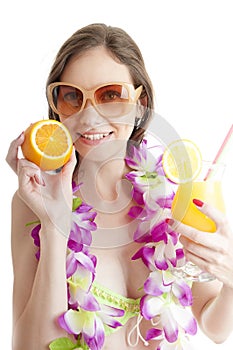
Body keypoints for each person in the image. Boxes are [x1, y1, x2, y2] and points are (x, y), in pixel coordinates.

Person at [6, 23, 233, 350]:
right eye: (72, 97)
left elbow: (215, 327)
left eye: (111, 95)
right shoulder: (33, 199)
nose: (90, 117)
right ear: (56, 106)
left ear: (140, 101)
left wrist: (229, 278)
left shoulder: (174, 195)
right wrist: (54, 224)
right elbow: (29, 346)